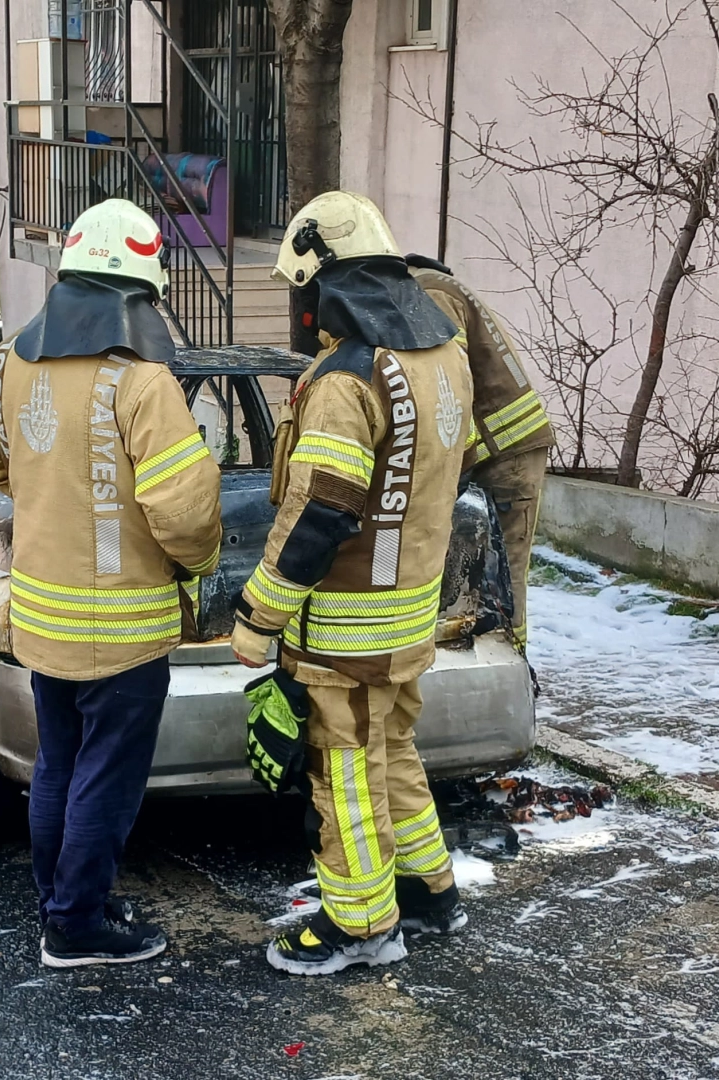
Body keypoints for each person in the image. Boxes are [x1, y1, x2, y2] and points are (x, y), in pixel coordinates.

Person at [0, 199, 222, 969]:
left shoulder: (6, 363)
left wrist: (48, 493)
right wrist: (200, 564)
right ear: (137, 294)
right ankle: (76, 926)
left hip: (44, 618)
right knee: (105, 781)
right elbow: (184, 511)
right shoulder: (141, 383)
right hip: (127, 626)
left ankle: (64, 906)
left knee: (60, 768)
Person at [231, 191, 473, 976]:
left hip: (344, 629)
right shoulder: (442, 356)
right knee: (392, 748)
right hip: (408, 615)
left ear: (324, 279)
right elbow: (450, 469)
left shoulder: (346, 378)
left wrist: (258, 613)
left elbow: (321, 512)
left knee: (344, 774)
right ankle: (429, 889)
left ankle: (362, 925)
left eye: (302, 290)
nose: (302, 309)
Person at [406, 255, 555, 652]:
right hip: (503, 449)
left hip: (506, 456)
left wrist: (449, 470)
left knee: (506, 573)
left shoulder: (430, 294)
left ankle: (512, 664)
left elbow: (450, 385)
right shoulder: (436, 286)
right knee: (490, 572)